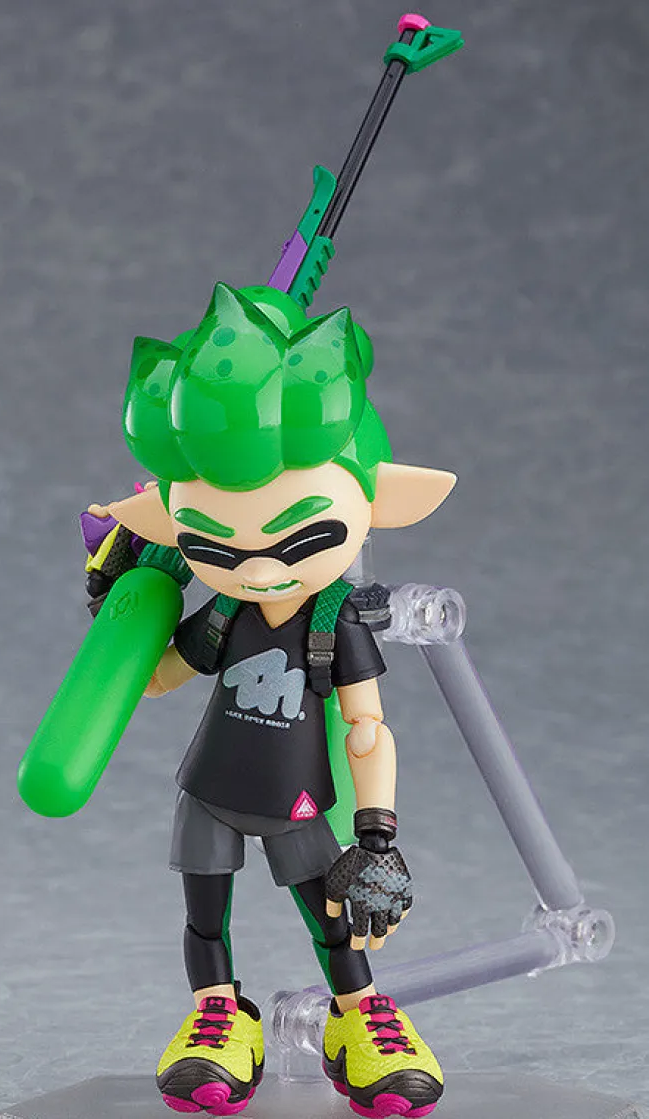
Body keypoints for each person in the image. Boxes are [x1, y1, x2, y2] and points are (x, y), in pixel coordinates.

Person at [89, 281, 456, 1118]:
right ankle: (219, 1017)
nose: (256, 566)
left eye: (299, 536)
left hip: (298, 800)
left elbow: (367, 726)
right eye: (218, 544)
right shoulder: (224, 613)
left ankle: (358, 1020)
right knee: (204, 919)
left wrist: (377, 832)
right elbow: (158, 676)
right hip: (212, 786)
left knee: (335, 919)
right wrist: (115, 607)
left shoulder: (336, 619)